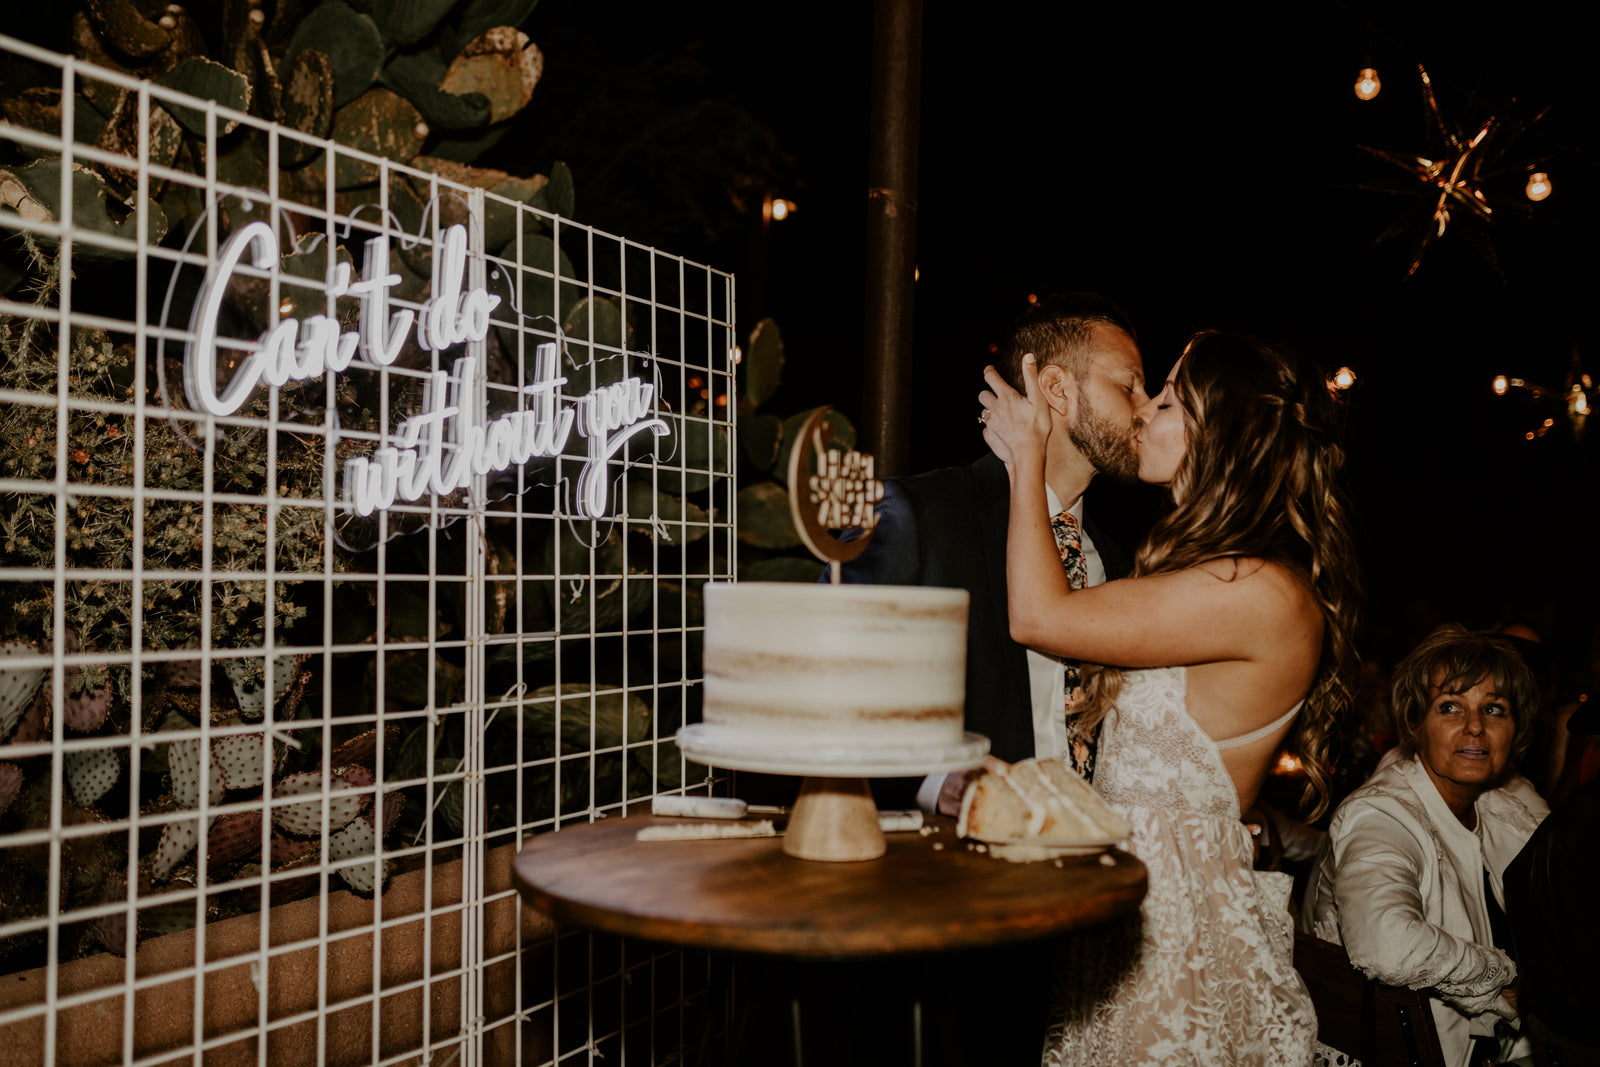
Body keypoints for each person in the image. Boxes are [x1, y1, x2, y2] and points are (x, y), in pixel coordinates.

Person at [979, 330, 1361, 1064]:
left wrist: (1028, 459)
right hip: (1133, 913)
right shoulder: (1212, 574)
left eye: (1168, 399)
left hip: (1178, 930)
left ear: (1223, 432)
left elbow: (1039, 616)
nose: (1143, 414)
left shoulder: (1260, 589)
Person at [839, 292, 1144, 813]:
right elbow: (831, 682)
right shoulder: (918, 515)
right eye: (1128, 385)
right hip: (953, 871)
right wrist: (936, 784)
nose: (1145, 407)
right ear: (1056, 389)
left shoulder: (1116, 561)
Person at [1304, 624, 1546, 1067]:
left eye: (1494, 709)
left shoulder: (1506, 812)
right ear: (1416, 724)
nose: (1474, 727)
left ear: (1516, 729)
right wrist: (1505, 977)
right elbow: (1386, 942)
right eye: (1450, 707)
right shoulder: (1381, 815)